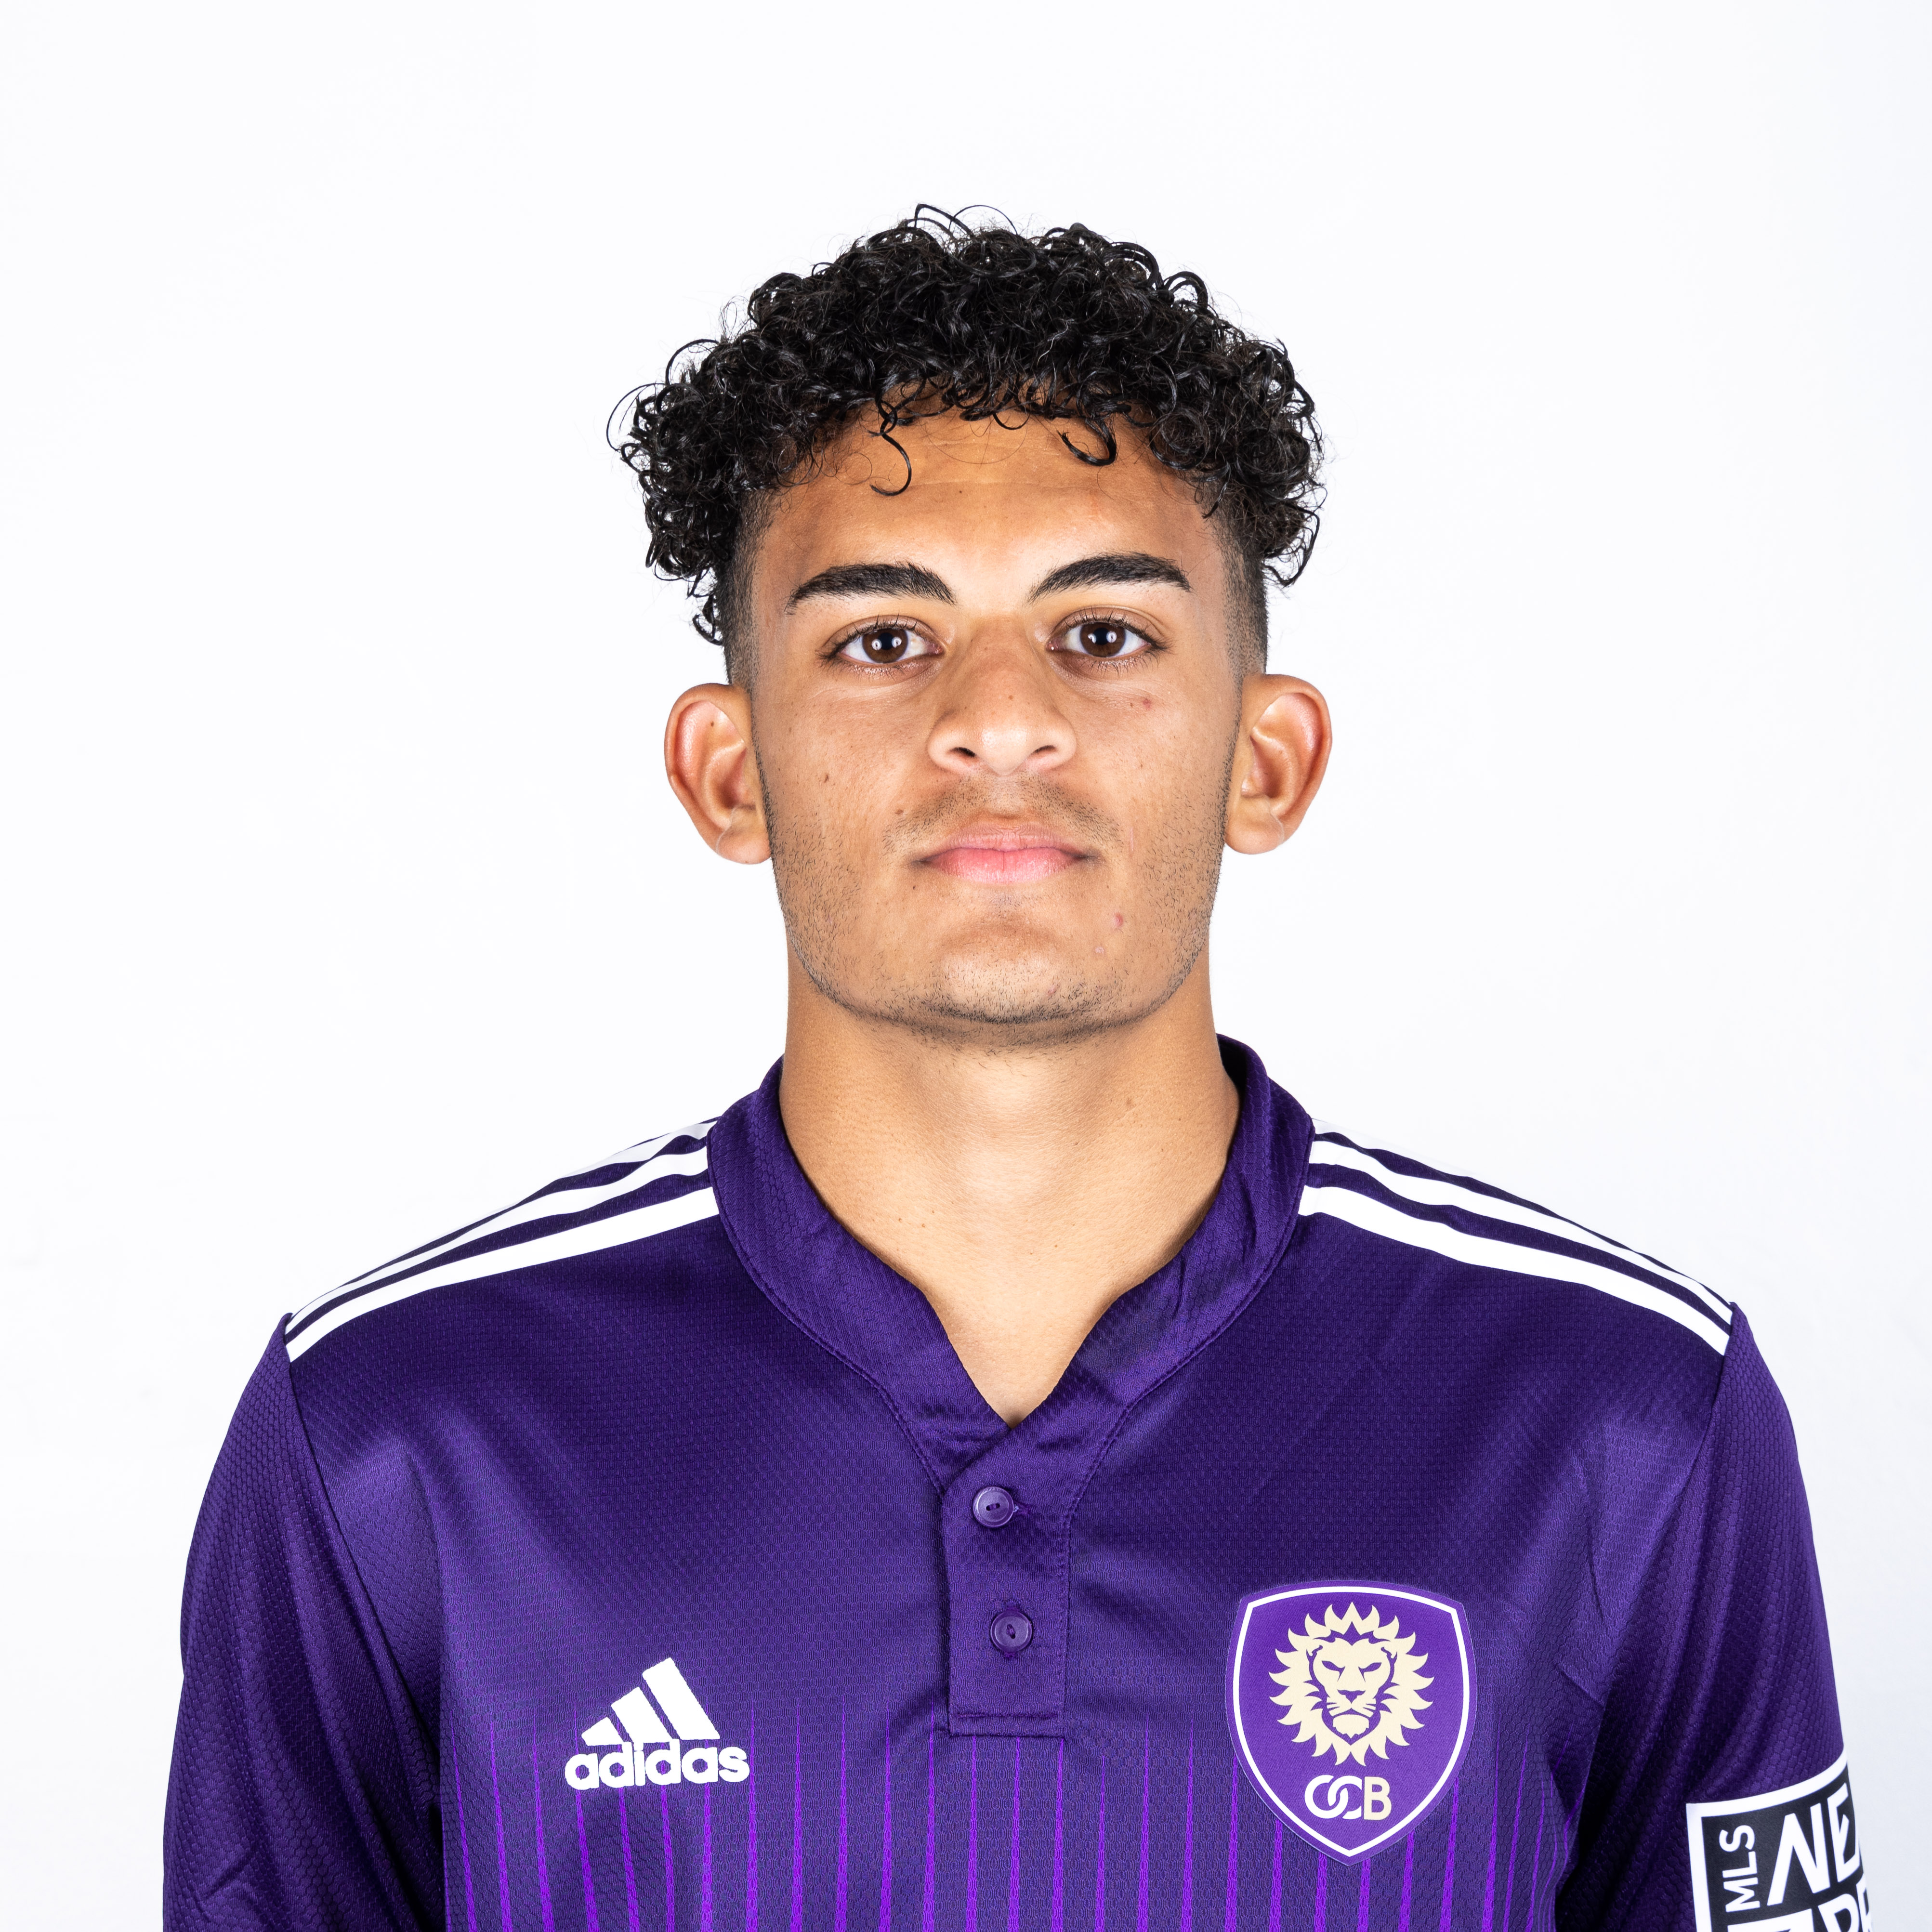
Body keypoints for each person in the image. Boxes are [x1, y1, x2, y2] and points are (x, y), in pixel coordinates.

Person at [164, 213, 1866, 1932]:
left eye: (1103, 633)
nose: (996, 717)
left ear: (1266, 758)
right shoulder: (394, 1431)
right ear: (729, 770)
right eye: (881, 640)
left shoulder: (1625, 1409)